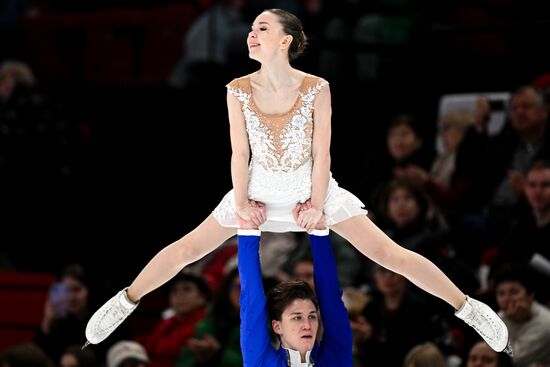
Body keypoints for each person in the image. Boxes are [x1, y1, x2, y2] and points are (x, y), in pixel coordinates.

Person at [83, 8, 511, 357]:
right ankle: (126, 301)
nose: (251, 34)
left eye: (262, 28)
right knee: (188, 249)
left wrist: (318, 202)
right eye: (250, 28)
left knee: (388, 253)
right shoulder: (236, 90)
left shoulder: (316, 88)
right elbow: (239, 153)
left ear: (286, 40)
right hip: (257, 190)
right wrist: (244, 201)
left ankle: (468, 308)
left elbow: (322, 153)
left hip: (313, 189)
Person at [237, 228, 352, 366]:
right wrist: (318, 231)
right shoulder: (262, 363)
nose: (307, 325)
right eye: (297, 317)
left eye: (312, 316)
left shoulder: (335, 360)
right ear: (277, 326)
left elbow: (330, 299)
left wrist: (317, 230)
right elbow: (252, 301)